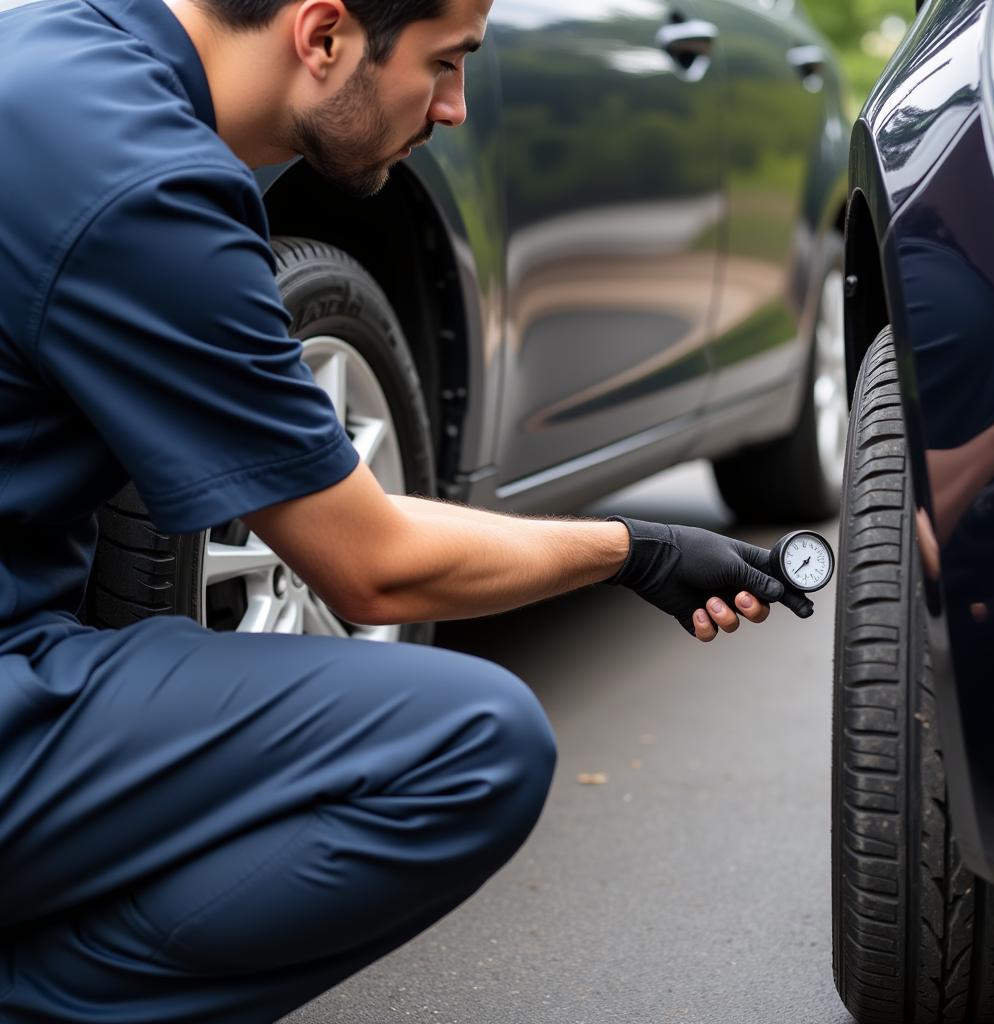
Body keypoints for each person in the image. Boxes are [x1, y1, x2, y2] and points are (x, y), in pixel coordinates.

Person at [0, 0, 814, 1019]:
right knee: (475, 744)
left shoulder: (47, 48)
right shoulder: (146, 184)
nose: (455, 107)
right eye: (444, 63)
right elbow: (372, 564)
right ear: (324, 34)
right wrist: (636, 550)